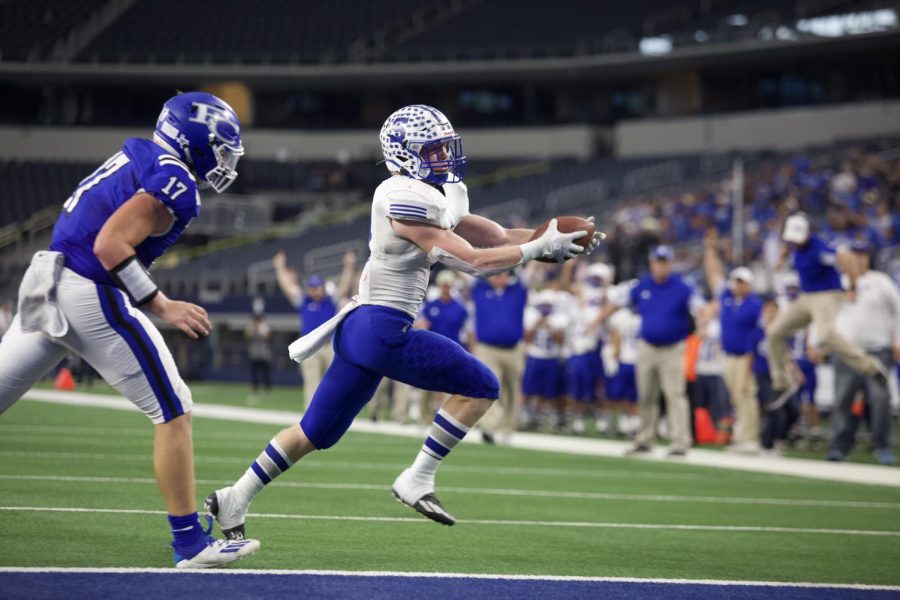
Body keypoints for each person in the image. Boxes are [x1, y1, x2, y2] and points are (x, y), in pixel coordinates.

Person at [206, 104, 603, 538]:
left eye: (443, 148)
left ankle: (233, 498)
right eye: (432, 151)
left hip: (361, 330)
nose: (443, 158)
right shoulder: (402, 195)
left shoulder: (439, 194)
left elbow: (502, 238)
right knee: (483, 385)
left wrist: (551, 240)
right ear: (404, 154)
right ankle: (417, 478)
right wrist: (534, 250)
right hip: (381, 329)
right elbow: (472, 262)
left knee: (314, 432)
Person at [0, 92, 259, 567]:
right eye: (221, 147)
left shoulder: (142, 153)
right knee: (174, 407)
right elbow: (110, 244)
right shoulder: (174, 177)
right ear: (197, 141)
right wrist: (160, 302)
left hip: (47, 276)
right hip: (88, 288)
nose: (225, 159)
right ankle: (190, 544)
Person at [767, 214, 888, 406]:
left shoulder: (819, 248)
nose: (794, 243)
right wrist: (782, 257)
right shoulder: (793, 244)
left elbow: (847, 258)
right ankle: (783, 383)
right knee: (774, 333)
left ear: (807, 233)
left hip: (828, 295)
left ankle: (871, 368)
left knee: (825, 335)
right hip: (806, 296)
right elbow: (788, 245)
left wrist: (853, 288)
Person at [598, 245, 699, 456]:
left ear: (670, 264)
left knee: (675, 395)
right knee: (646, 396)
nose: (661, 266)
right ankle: (645, 439)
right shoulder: (643, 285)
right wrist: (598, 319)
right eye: (658, 262)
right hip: (647, 347)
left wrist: (703, 323)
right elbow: (619, 302)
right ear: (652, 263)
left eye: (664, 262)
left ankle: (680, 442)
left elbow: (701, 307)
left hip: (672, 347)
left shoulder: (682, 287)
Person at [828, 240, 900, 465]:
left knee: (880, 399)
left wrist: (897, 340)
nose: (858, 259)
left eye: (862, 255)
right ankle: (840, 447)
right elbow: (824, 313)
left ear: (869, 258)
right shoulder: (838, 282)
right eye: (854, 254)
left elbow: (898, 310)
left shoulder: (881, 282)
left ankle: (882, 446)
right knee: (842, 400)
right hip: (847, 351)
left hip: (877, 351)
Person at [703, 229, 763, 453]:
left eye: (742, 282)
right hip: (728, 355)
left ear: (749, 284)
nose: (737, 285)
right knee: (737, 397)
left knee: (746, 395)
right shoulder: (727, 298)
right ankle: (742, 436)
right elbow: (713, 273)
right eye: (736, 281)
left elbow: (753, 337)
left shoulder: (753, 305)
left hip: (745, 356)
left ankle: (751, 438)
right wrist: (710, 249)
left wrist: (749, 363)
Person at [273, 250, 355, 406]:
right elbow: (288, 287)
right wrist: (279, 267)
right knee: (312, 383)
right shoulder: (304, 301)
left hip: (328, 346)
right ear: (309, 289)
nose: (316, 290)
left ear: (323, 288)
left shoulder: (330, 301)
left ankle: (331, 411)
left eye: (318, 287)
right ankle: (311, 419)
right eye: (313, 287)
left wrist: (349, 266)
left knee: (335, 381)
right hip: (310, 346)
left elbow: (344, 286)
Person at [471, 269, 528, 443]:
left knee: (512, 389)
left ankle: (507, 429)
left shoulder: (517, 291)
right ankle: (489, 427)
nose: (498, 278)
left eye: (502, 274)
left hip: (513, 349)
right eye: (495, 274)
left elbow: (524, 276)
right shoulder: (480, 290)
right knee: (490, 385)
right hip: (487, 349)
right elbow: (475, 269)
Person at [522, 289, 569, 431]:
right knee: (529, 389)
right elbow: (526, 337)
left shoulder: (559, 318)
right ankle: (528, 416)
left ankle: (545, 416)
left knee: (550, 391)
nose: (545, 308)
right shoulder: (532, 316)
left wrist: (551, 328)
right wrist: (536, 325)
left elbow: (561, 340)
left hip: (551, 358)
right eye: (543, 305)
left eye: (548, 305)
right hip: (535, 356)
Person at [245, 314, 273, 402]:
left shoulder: (264, 327)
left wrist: (260, 330)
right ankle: (255, 389)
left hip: (264, 354)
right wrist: (253, 329)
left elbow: (269, 337)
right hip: (254, 354)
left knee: (265, 373)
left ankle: (267, 389)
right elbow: (246, 337)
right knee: (254, 373)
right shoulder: (250, 327)